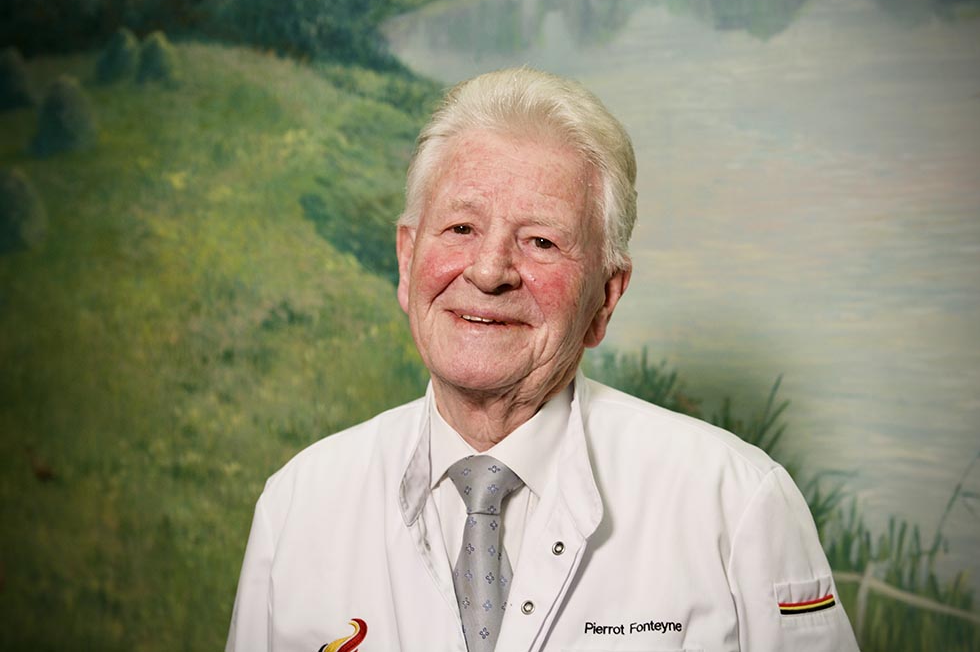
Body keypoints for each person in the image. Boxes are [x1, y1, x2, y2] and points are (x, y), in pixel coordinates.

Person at [225, 67, 860, 652]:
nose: (489, 270)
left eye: (541, 241)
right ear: (406, 258)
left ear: (605, 297)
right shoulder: (298, 506)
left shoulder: (737, 503)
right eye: (461, 228)